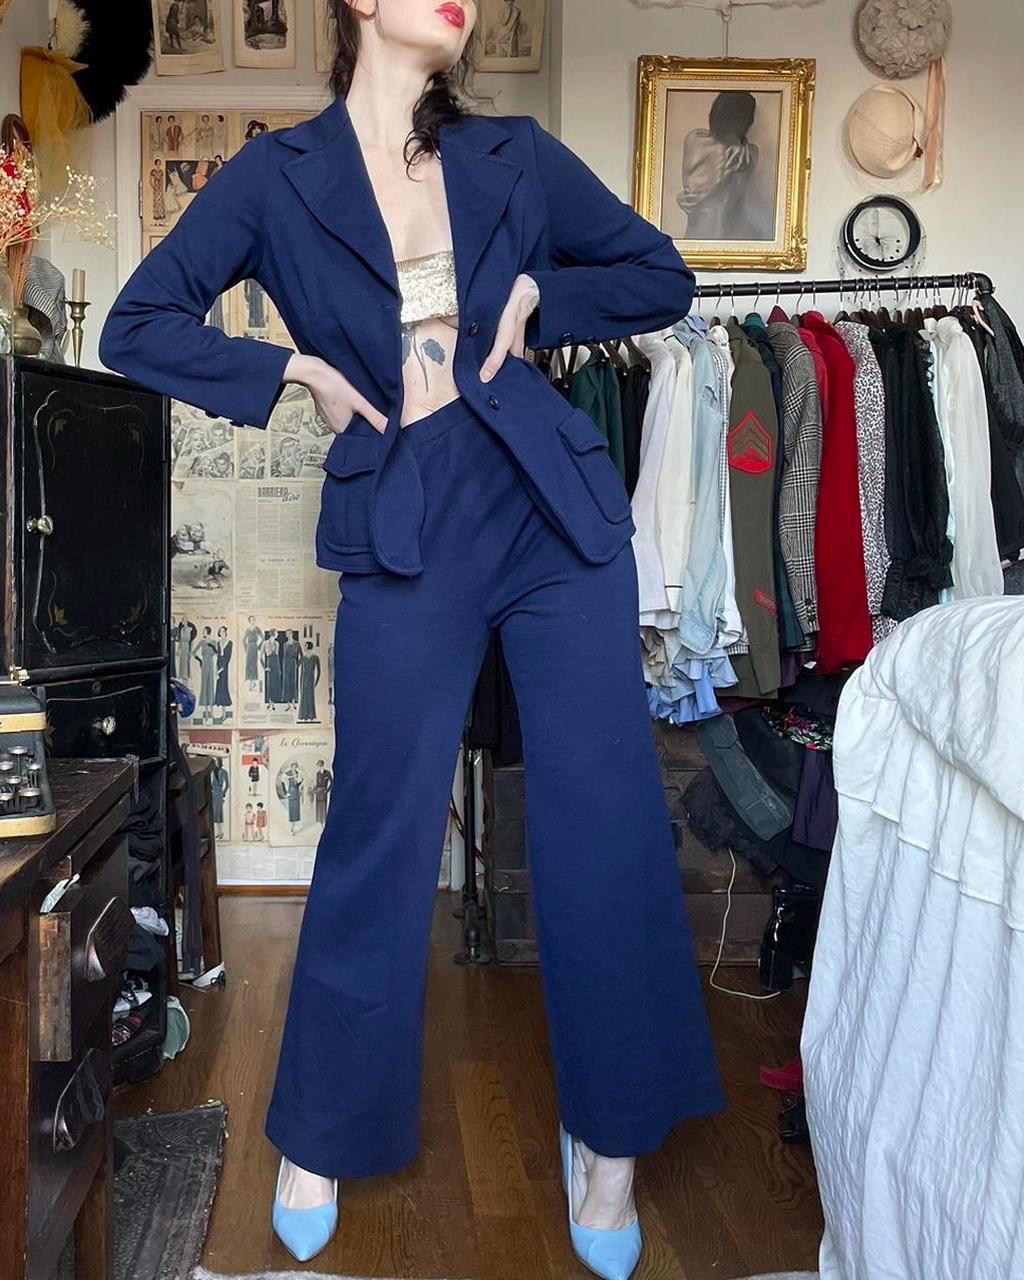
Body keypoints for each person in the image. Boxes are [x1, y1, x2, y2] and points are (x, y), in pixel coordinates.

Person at [101, 1, 721, 1274]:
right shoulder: (275, 176)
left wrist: (543, 293)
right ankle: (322, 1125)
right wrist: (295, 374)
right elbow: (137, 322)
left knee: (602, 814)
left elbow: (661, 275)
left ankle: (609, 1135)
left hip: (548, 507)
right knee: (380, 825)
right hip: (402, 508)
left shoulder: (515, 155)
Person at [676, 90, 767, 242]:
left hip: (696, 235)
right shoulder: (746, 155)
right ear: (746, 123)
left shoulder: (694, 139)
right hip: (730, 235)